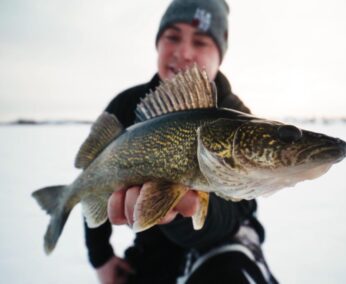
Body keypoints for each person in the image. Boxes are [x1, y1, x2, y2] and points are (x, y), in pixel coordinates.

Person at [84, 0, 279, 283]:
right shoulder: (126, 105)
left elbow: (240, 208)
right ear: (158, 43)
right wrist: (100, 256)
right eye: (173, 36)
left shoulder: (238, 120)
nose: (184, 52)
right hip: (150, 253)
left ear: (219, 55)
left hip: (216, 250)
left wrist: (183, 211)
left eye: (200, 42)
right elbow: (92, 178)